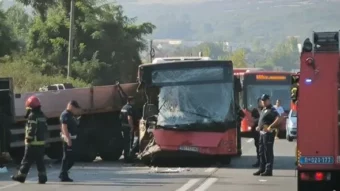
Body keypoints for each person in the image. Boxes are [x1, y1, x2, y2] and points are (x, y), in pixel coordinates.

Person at [11, 96, 48, 184]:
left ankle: (21, 177)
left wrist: (29, 138)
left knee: (26, 160)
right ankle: (42, 178)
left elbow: (32, 128)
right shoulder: (42, 115)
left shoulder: (32, 116)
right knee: (40, 161)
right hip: (41, 143)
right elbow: (45, 128)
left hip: (32, 143)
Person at [253, 94, 280, 176]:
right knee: (261, 151)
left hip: (268, 134)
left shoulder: (272, 109)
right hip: (261, 133)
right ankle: (262, 168)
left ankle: (268, 170)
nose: (263, 102)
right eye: (262, 101)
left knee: (268, 152)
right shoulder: (263, 109)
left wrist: (271, 126)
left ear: (268, 100)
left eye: (265, 100)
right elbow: (262, 121)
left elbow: (279, 118)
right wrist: (259, 126)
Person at [59, 100, 81, 182]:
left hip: (72, 138)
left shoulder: (70, 115)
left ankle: (63, 173)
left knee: (71, 157)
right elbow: (64, 127)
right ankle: (63, 174)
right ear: (71, 106)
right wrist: (68, 139)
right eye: (75, 108)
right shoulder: (65, 114)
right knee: (67, 157)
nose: (76, 110)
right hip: (68, 139)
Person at [120, 96, 138, 163]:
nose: (134, 102)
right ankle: (129, 158)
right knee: (130, 142)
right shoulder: (130, 108)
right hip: (128, 127)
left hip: (123, 126)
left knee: (126, 142)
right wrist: (131, 127)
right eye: (133, 101)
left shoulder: (123, 107)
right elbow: (129, 117)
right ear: (130, 101)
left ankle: (125, 157)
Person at [251, 98, 263, 167]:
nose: (261, 103)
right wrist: (259, 120)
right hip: (256, 132)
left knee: (264, 148)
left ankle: (264, 162)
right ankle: (259, 161)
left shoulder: (266, 110)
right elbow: (253, 120)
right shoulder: (255, 110)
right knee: (258, 147)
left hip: (264, 131)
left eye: (262, 102)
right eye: (260, 102)